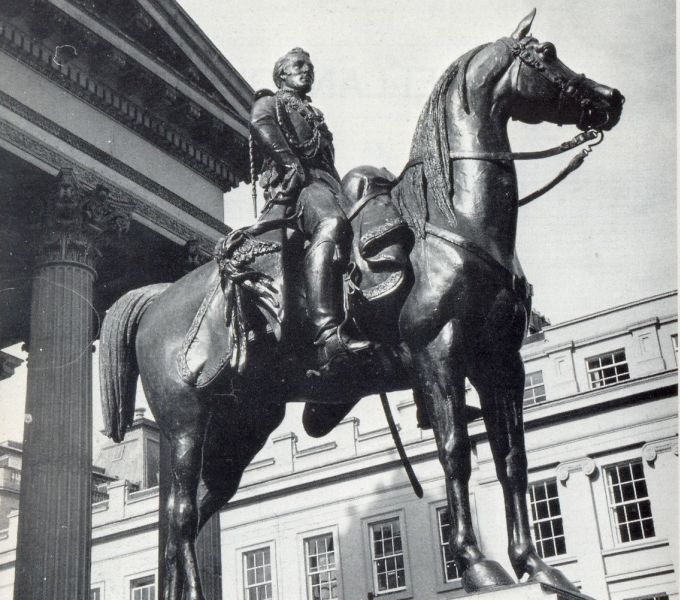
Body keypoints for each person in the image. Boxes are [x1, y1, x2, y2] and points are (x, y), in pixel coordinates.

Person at [249, 47, 370, 371]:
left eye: (310, 67)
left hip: (328, 186)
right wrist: (290, 165)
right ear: (282, 75)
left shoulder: (313, 114)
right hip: (300, 189)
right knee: (330, 223)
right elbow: (261, 124)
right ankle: (328, 334)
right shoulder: (270, 101)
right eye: (299, 66)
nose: (307, 71)